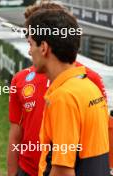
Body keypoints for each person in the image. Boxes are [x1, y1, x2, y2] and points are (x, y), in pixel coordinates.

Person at [7, 2, 107, 176]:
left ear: (44, 47)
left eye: (31, 44)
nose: (29, 51)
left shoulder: (64, 96)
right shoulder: (88, 86)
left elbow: (62, 169)